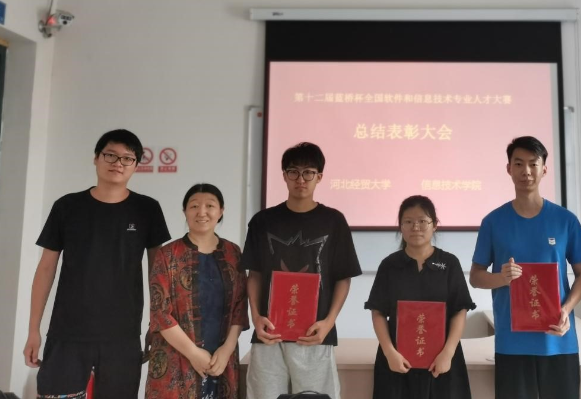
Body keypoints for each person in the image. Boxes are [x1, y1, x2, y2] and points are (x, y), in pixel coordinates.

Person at [23, 129, 171, 398]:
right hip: (67, 332)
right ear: (96, 158)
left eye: (127, 158)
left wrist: (157, 322)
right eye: (110, 155)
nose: (118, 163)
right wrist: (33, 330)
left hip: (122, 336)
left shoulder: (147, 209)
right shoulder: (67, 206)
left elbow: (157, 273)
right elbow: (45, 269)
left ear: (136, 165)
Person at [469, 136, 581, 399]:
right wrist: (501, 278)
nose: (526, 171)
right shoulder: (493, 222)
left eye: (533, 164)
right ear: (508, 169)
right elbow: (476, 277)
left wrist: (566, 309)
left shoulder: (565, 220)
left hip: (558, 340)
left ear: (544, 169)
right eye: (518, 164)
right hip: (512, 343)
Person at [242, 142, 362, 399]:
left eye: (308, 172)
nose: (301, 179)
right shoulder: (263, 221)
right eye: (294, 172)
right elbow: (255, 275)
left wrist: (329, 322)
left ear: (319, 177)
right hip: (270, 333)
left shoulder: (334, 221)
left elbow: (343, 277)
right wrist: (256, 316)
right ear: (284, 175)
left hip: (314, 334)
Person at [365, 195, 476, 399]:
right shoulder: (390, 265)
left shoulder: (449, 263)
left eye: (422, 221)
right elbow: (378, 311)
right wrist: (389, 353)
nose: (415, 227)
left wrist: (448, 353)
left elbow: (460, 310)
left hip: (441, 361)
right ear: (401, 226)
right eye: (408, 221)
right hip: (398, 361)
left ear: (434, 225)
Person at [146, 183, 248, 399]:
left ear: (221, 211)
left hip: (221, 359)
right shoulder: (167, 255)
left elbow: (240, 306)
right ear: (185, 211)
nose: (202, 212)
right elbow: (160, 313)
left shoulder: (233, 253)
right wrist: (193, 353)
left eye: (210, 206)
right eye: (194, 206)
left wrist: (227, 350)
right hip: (176, 357)